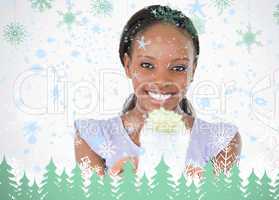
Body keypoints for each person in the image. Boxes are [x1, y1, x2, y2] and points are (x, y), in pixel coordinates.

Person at [74, 4, 241, 178]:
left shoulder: (221, 141)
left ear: (193, 69)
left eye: (178, 68)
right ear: (127, 65)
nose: (161, 81)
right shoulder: (92, 137)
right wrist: (114, 185)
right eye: (147, 65)